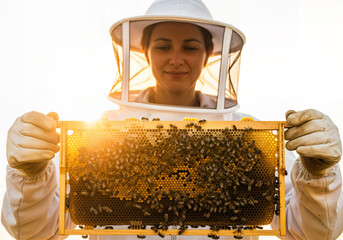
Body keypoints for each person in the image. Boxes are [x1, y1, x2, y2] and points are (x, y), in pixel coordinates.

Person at [2, 0, 343, 239]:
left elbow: (311, 234)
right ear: (145, 53)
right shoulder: (102, 132)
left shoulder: (248, 133)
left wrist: (318, 176)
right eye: (163, 46)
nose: (176, 59)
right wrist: (29, 177)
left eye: (190, 47)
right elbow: (34, 233)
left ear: (210, 55)